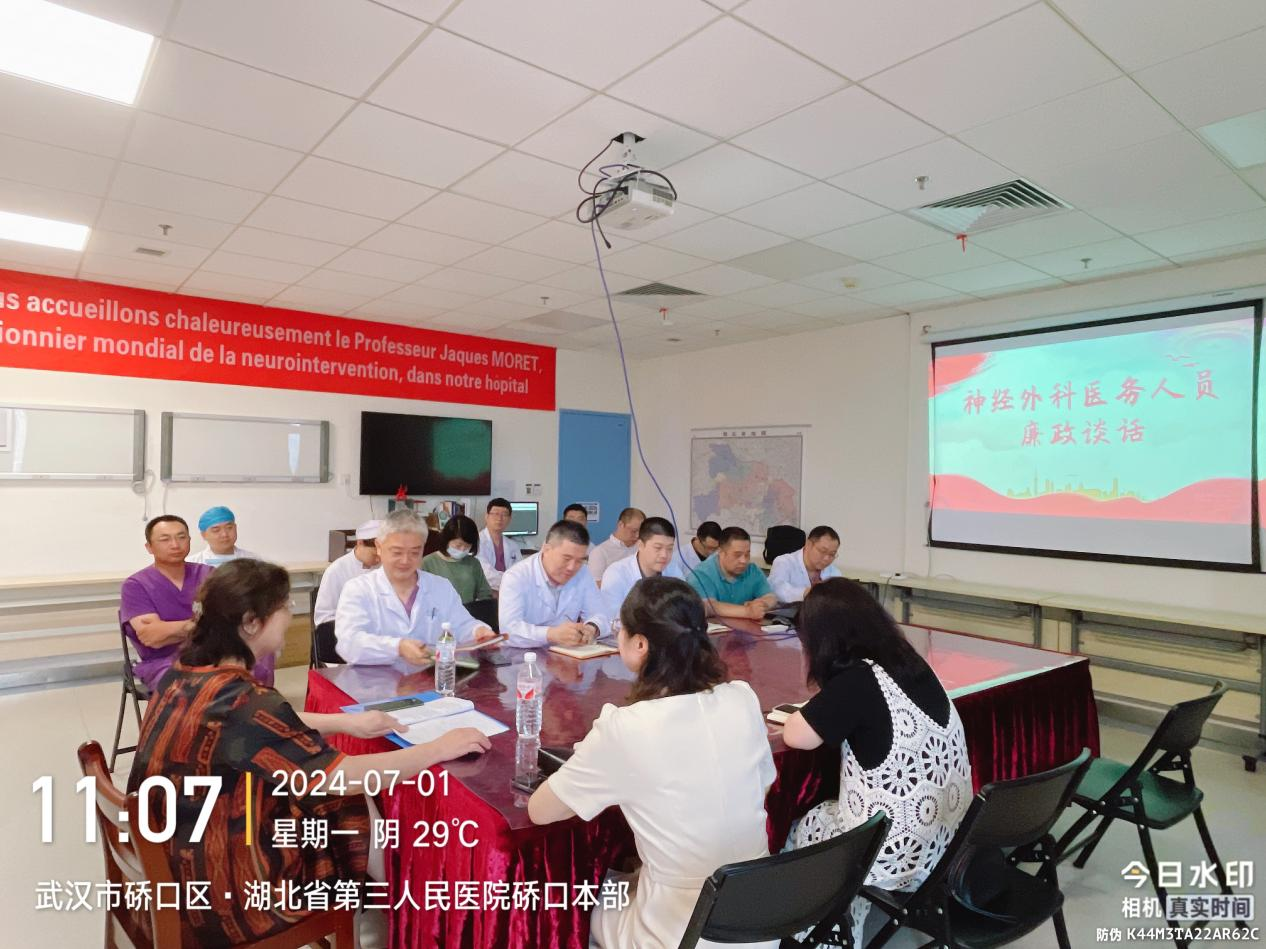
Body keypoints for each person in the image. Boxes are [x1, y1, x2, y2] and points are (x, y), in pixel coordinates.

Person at [128, 559, 490, 947]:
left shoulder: (186, 674)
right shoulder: (246, 700)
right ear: (251, 622)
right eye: (284, 607)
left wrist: (346, 724)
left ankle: (387, 913)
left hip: (176, 854)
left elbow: (257, 725)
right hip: (227, 889)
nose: (290, 616)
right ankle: (406, 916)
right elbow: (345, 776)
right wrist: (438, 748)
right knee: (352, 803)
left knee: (336, 809)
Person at [528, 577, 776, 949]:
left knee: (586, 899)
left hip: (681, 930)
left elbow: (540, 812)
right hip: (761, 918)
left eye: (621, 629)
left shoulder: (625, 727)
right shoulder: (742, 698)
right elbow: (764, 784)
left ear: (640, 644)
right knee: (635, 873)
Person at [782, 578, 971, 946]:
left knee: (806, 825)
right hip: (948, 840)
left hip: (894, 851)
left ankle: (819, 933)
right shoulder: (910, 663)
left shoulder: (857, 681)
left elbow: (796, 735)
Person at [120, 515, 275, 690]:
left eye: (181, 537)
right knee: (200, 685)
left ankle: (256, 704)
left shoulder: (209, 574)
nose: (175, 545)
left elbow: (236, 619)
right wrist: (206, 627)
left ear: (189, 540)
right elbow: (152, 637)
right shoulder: (137, 585)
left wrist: (180, 629)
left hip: (215, 652)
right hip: (166, 661)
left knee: (259, 652)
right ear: (149, 547)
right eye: (165, 539)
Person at [336, 508, 496, 666]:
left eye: (414, 552)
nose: (405, 561)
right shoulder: (358, 589)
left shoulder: (440, 587)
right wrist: (397, 647)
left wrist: (478, 631)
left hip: (429, 677)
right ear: (379, 546)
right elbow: (349, 644)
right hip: (374, 679)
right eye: (397, 552)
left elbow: (461, 624)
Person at [498, 519, 608, 648]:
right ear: (546, 549)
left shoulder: (583, 573)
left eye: (579, 561)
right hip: (523, 654)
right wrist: (550, 634)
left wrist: (591, 628)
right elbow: (509, 631)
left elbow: (601, 615)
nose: (572, 567)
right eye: (566, 558)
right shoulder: (516, 576)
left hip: (566, 653)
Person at [685, 526, 777, 620]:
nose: (743, 561)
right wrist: (747, 611)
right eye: (737, 555)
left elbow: (770, 596)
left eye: (747, 554)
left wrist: (762, 604)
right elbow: (708, 606)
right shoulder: (701, 574)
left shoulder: (752, 570)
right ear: (721, 552)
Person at [600, 516, 683, 620]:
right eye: (658, 548)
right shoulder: (616, 573)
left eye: (670, 549)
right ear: (640, 545)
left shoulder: (673, 569)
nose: (664, 555)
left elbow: (682, 606)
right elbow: (612, 618)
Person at [312, 519, 381, 628]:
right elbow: (323, 618)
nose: (379, 559)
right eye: (374, 555)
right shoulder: (336, 571)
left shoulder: (386, 568)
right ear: (360, 543)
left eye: (382, 554)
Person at [422, 514, 493, 604]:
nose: (462, 549)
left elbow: (485, 594)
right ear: (447, 540)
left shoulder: (473, 563)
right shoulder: (427, 563)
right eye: (458, 545)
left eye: (467, 546)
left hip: (469, 611)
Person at [769, 525, 843, 603]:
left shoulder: (834, 572)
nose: (826, 558)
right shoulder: (784, 562)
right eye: (822, 551)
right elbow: (776, 589)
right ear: (808, 544)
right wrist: (806, 593)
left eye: (832, 554)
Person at [476, 497, 522, 593]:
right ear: (486, 516)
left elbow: (520, 572)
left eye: (504, 515)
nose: (499, 518)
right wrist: (512, 583)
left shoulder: (513, 545)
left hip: (510, 591)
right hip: (486, 592)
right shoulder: (477, 542)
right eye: (495, 513)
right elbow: (486, 574)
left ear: (509, 519)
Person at [588, 507, 645, 583]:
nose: (637, 535)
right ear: (620, 524)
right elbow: (596, 585)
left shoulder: (642, 548)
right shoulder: (600, 552)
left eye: (641, 532)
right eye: (634, 531)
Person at [188, 505, 260, 565]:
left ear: (235, 528)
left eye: (229, 528)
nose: (224, 534)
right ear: (204, 535)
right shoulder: (192, 564)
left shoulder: (253, 561)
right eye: (216, 530)